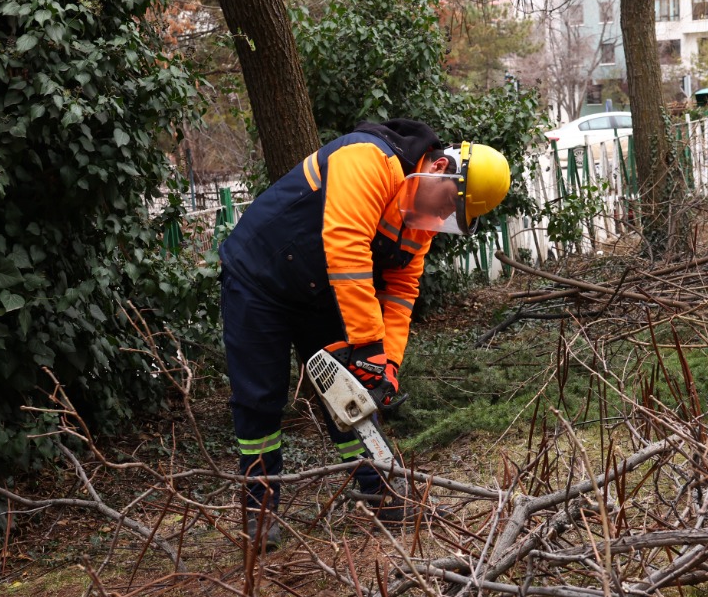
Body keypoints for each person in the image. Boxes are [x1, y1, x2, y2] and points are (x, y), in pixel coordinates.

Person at [218, 120, 512, 550]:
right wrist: (368, 344)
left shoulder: (419, 224)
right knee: (259, 398)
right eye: (451, 202)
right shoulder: (368, 158)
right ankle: (259, 511)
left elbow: (400, 294)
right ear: (442, 167)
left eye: (455, 215)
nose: (445, 216)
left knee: (352, 393)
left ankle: (380, 493)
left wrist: (386, 363)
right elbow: (347, 244)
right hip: (260, 278)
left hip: (322, 289)